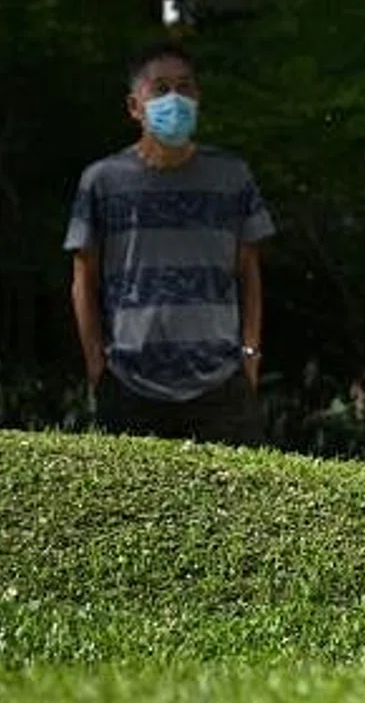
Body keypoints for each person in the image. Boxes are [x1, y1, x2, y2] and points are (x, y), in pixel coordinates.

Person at [65, 43, 275, 446]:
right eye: (160, 89)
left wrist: (250, 356)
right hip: (130, 381)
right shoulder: (103, 181)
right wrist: (96, 365)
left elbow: (249, 271)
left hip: (221, 383)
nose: (174, 99)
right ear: (134, 106)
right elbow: (83, 277)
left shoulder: (231, 177)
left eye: (184, 87)